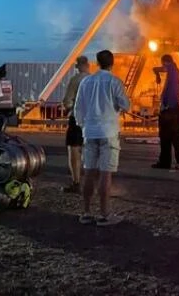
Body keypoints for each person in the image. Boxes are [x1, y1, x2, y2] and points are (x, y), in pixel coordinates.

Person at [73, 50, 130, 226]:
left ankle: (86, 212)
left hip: (89, 132)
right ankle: (105, 215)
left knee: (89, 173)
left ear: (97, 63)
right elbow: (125, 105)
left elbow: (78, 108)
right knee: (105, 174)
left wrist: (84, 126)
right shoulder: (114, 82)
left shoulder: (86, 82)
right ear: (111, 63)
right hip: (108, 132)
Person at [152, 54, 179, 170]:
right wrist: (156, 72)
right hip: (174, 109)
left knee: (165, 138)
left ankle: (165, 162)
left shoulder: (172, 69)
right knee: (175, 138)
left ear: (165, 62)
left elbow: (165, 69)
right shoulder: (176, 72)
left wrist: (165, 105)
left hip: (169, 110)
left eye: (163, 63)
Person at [62, 56, 90, 194]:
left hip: (77, 119)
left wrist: (67, 107)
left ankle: (76, 182)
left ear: (78, 66)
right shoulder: (94, 80)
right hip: (93, 121)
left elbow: (67, 101)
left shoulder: (76, 80)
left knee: (74, 150)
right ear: (88, 65)